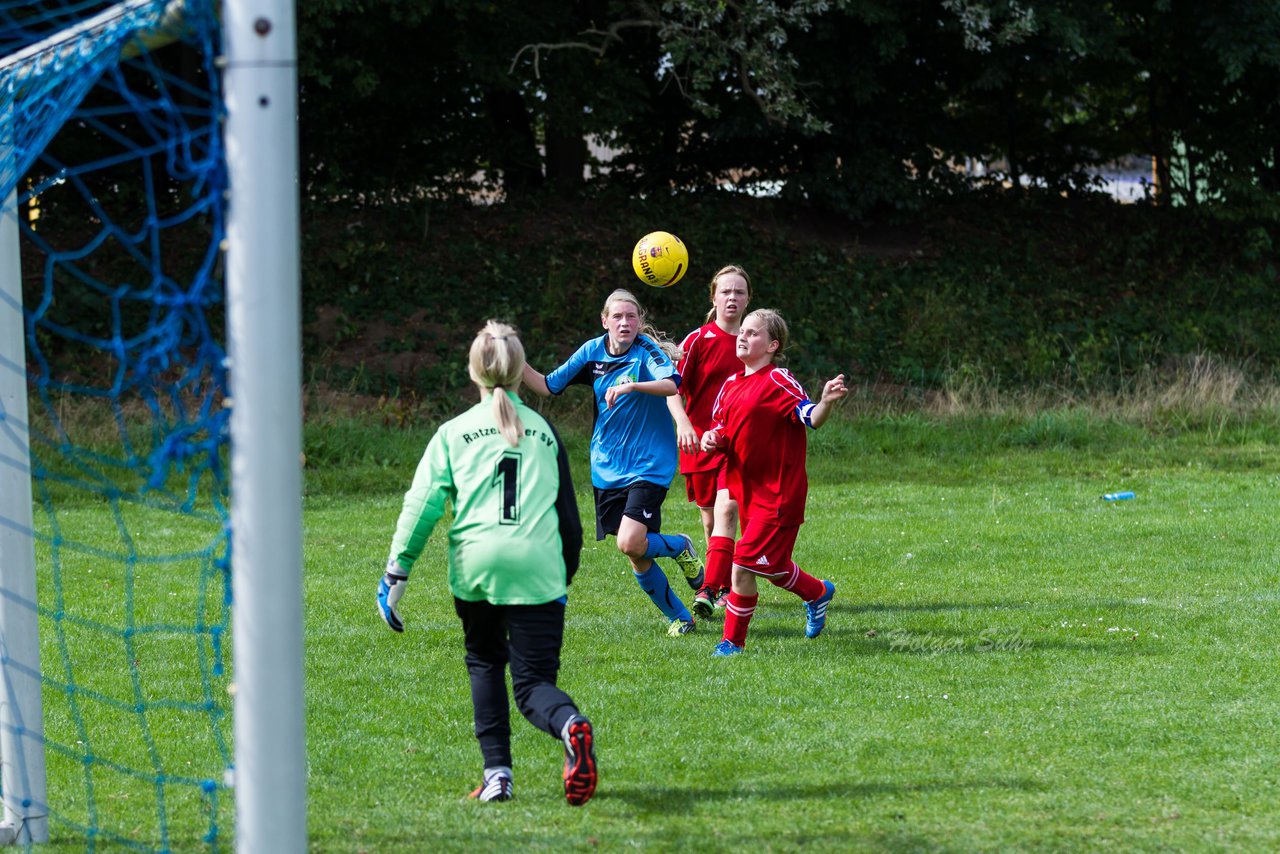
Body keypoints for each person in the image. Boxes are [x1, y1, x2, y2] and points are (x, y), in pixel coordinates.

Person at [375, 320, 597, 806]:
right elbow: (569, 519)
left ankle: (498, 775)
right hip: (539, 567)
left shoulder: (452, 433)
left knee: (484, 661)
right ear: (521, 373)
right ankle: (570, 725)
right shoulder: (544, 430)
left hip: (477, 568)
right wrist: (563, 576)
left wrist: (398, 570)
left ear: (474, 373)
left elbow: (423, 505)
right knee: (534, 684)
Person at [523, 288, 705, 637]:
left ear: (640, 321)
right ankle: (682, 617)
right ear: (604, 320)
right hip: (607, 467)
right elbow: (547, 386)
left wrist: (633, 387)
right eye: (617, 317)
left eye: (631, 316)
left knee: (629, 541)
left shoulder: (646, 352)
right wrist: (515, 363)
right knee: (637, 552)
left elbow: (671, 385)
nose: (625, 322)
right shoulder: (591, 352)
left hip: (650, 464)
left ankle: (681, 546)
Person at [699, 308, 848, 656]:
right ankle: (817, 592)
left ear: (772, 345)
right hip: (747, 493)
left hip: (780, 492)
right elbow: (722, 428)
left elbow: (809, 417)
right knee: (773, 567)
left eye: (753, 333)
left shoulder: (778, 378)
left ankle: (731, 643)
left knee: (742, 564)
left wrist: (825, 401)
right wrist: (711, 438)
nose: (743, 336)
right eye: (743, 331)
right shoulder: (731, 385)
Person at [667, 265, 752, 619]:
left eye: (739, 292)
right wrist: (683, 424)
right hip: (700, 443)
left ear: (748, 300)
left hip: (739, 445)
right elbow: (670, 386)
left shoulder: (755, 339)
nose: (732, 298)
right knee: (709, 520)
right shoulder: (698, 340)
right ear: (714, 297)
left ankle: (722, 587)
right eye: (726, 292)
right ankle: (721, 584)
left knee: (729, 510)